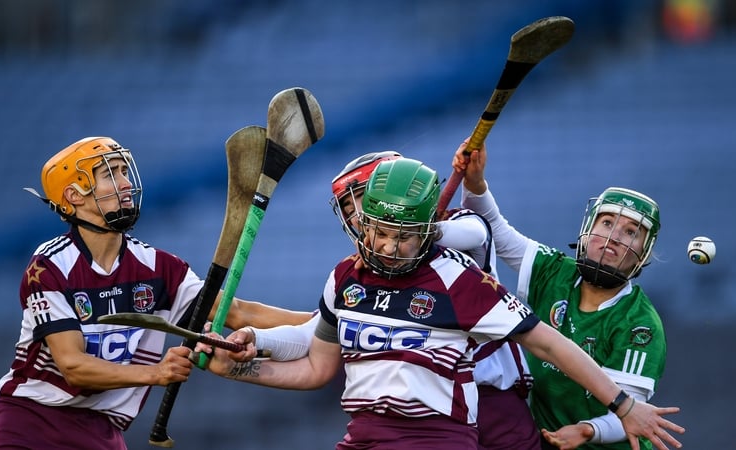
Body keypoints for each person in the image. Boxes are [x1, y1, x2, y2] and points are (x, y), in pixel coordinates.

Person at [198, 158, 684, 450]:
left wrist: (620, 408)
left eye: (402, 231)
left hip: (475, 415)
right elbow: (317, 351)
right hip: (365, 433)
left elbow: (483, 235)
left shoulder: (457, 270)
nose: (388, 244)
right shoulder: (347, 276)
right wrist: (246, 351)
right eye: (373, 225)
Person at [230, 150, 539, 449]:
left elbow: (477, 233)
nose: (356, 219)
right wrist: (253, 338)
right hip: (426, 412)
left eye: (360, 201)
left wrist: (421, 230)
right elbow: (317, 334)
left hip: (494, 399)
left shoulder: (456, 226)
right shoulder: (366, 272)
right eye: (348, 210)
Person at [0, 136, 236, 449]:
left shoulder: (157, 266)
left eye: (124, 172)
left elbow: (237, 311)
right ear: (74, 195)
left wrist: (300, 325)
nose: (126, 183)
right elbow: (73, 367)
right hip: (33, 424)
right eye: (111, 174)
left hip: (102, 430)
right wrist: (158, 372)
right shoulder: (50, 266)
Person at [451, 141, 671, 450]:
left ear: (643, 254)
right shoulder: (555, 271)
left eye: (631, 232)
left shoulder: (640, 324)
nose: (612, 238)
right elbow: (495, 231)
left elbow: (631, 415)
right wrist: (475, 184)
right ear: (588, 229)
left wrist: (587, 430)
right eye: (607, 223)